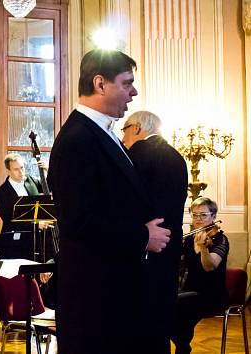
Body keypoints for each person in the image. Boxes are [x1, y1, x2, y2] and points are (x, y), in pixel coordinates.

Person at [46, 49, 171, 354]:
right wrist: (143, 236)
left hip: (113, 292)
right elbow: (79, 222)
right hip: (97, 301)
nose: (134, 91)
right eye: (127, 83)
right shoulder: (78, 139)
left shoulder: (99, 132)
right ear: (100, 84)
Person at [122, 110, 188, 353]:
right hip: (170, 247)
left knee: (139, 321)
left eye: (125, 129)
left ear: (137, 128)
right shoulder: (177, 157)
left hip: (143, 247)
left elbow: (127, 202)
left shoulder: (137, 154)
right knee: (161, 317)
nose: (124, 137)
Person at [172, 197, 228, 354]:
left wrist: (204, 248)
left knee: (179, 306)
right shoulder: (189, 239)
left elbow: (209, 267)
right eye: (195, 215)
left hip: (212, 294)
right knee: (166, 302)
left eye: (203, 215)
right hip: (190, 291)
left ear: (213, 217)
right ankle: (181, 345)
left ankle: (182, 347)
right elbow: (177, 263)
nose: (198, 219)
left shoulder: (220, 239)